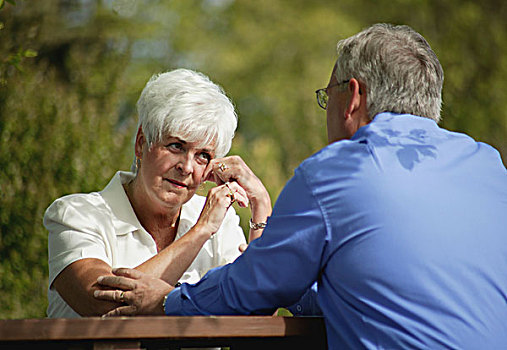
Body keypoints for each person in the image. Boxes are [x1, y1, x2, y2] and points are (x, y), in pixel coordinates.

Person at [94, 24, 507, 349]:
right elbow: (341, 296)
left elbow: (251, 289)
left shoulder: (335, 173)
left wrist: (167, 301)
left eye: (328, 97)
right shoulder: (490, 167)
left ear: (353, 98)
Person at [44, 68, 271, 318]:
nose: (186, 167)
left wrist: (260, 204)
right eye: (176, 146)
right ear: (141, 143)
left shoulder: (222, 221)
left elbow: (257, 311)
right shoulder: (76, 214)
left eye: (203, 156)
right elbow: (102, 304)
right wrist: (201, 231)